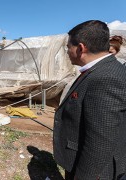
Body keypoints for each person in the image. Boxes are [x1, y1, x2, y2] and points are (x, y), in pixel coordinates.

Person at [53, 20, 126, 179]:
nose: (67, 52)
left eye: (68, 48)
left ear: (80, 48)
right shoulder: (100, 70)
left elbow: (100, 141)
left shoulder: (105, 78)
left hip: (93, 170)